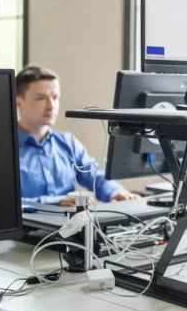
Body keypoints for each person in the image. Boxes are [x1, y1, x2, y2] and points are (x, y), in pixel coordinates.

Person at [15, 65, 138, 206]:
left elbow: (95, 176)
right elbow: (3, 202)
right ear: (18, 103)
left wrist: (115, 192)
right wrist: (56, 202)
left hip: (71, 220)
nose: (51, 105)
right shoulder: (3, 151)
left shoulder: (67, 143)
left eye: (55, 97)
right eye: (41, 98)